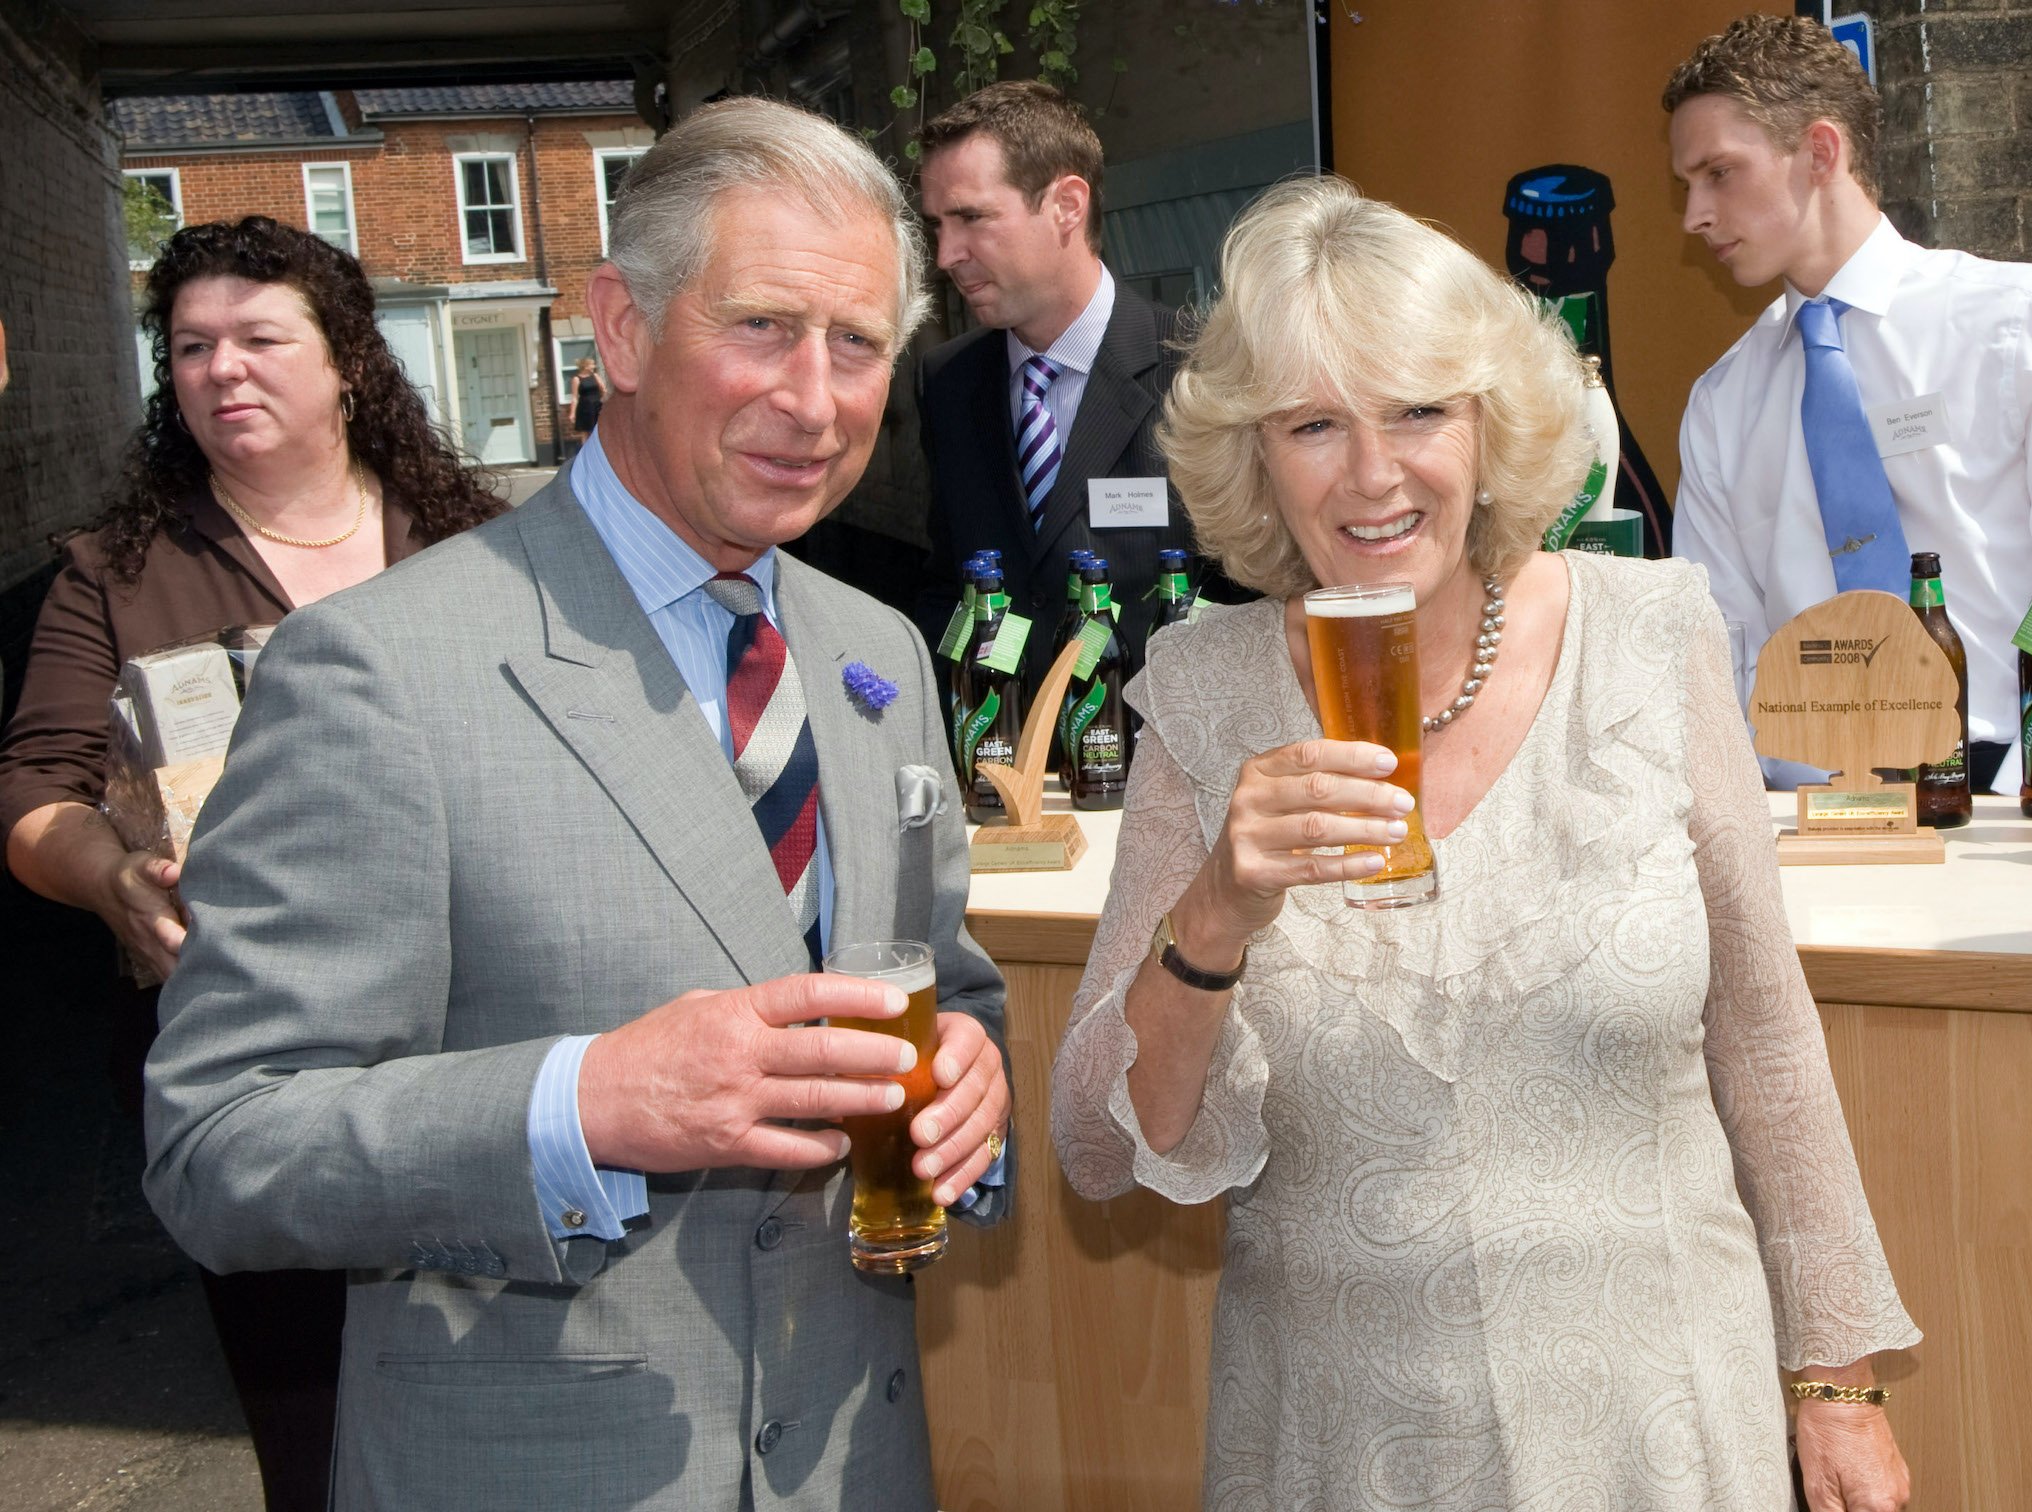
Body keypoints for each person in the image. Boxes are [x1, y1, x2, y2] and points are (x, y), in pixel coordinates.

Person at [141, 97, 1010, 1510]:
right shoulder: (379, 670)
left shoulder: (876, 653)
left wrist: (973, 1082)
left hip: (857, 1460)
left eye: (857, 343)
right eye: (761, 327)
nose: (816, 397)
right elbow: (220, 1145)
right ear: (619, 326)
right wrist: (584, 1103)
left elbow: (946, 986)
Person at [1051, 177, 1918, 1512]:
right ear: (1255, 456)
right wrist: (1216, 911)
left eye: (1417, 412)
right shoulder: (1202, 695)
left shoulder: (1651, 632)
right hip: (1338, 1443)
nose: (1374, 472)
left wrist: (1838, 1382)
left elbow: (1765, 1030)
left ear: (1490, 424)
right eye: (1313, 425)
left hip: (1662, 1424)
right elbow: (1101, 1151)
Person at [0, 216, 504, 1511]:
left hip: (487, 1038)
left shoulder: (478, 548)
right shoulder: (114, 575)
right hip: (253, 1062)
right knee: (319, 1433)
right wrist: (106, 873)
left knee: (513, 1399)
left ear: (346, 361)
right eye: (189, 346)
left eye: (259, 338)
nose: (222, 368)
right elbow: (34, 791)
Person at [1666, 14, 2032, 791]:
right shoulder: (1721, 403)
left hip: (2005, 795)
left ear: (1821, 153)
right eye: (1687, 185)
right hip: (1805, 820)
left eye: (1719, 173)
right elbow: (1716, 650)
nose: (1695, 214)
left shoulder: (2022, 319)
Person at [915, 80, 1243, 689]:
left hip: (1166, 761)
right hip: (998, 757)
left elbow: (1250, 594)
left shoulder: (1204, 369)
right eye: (937, 225)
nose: (946, 254)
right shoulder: (947, 382)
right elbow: (950, 581)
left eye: (972, 218)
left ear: (1067, 205)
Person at [566, 354, 603, 438]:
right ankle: (586, 449)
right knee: (586, 432)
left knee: (599, 430)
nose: (594, 366)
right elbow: (575, 397)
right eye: (592, 365)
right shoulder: (577, 379)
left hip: (597, 405)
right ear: (585, 366)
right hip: (585, 407)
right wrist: (572, 413)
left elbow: (603, 389)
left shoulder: (595, 376)